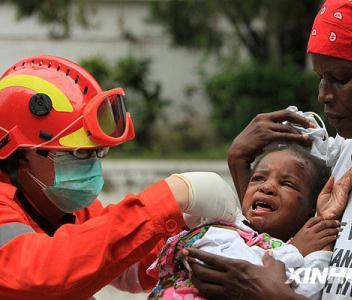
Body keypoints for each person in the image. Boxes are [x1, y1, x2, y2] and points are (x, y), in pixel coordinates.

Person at [184, 1, 352, 299]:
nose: (323, 95)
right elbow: (281, 243)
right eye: (321, 78)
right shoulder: (342, 153)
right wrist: (240, 161)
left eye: (340, 79)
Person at [0, 55, 241, 300]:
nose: (91, 165)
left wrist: (181, 229)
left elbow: (127, 267)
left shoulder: (64, 206)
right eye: (78, 153)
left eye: (97, 152)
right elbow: (39, 274)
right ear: (22, 155)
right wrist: (170, 196)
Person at [147, 142, 352, 300]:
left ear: (310, 208)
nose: (267, 187)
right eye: (258, 178)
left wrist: (324, 232)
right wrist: (296, 251)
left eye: (287, 184)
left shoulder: (299, 248)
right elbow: (233, 271)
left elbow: (308, 292)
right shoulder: (219, 232)